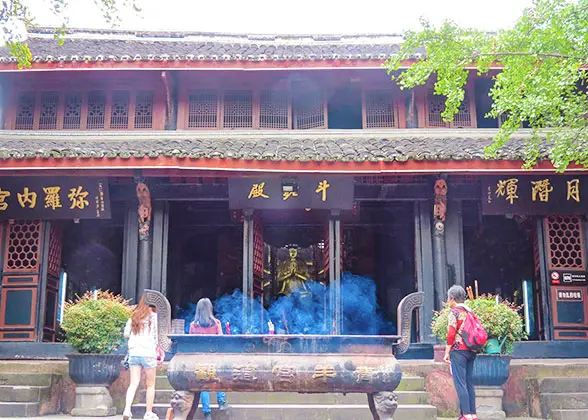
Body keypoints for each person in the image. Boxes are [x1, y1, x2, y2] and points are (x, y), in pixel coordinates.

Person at [189, 298, 228, 420]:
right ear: (210, 309)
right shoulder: (216, 323)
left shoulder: (193, 325)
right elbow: (221, 340)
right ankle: (221, 402)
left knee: (204, 384)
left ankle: (207, 413)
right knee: (218, 378)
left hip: (200, 358)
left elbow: (190, 343)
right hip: (214, 357)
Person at [123, 297, 161, 420]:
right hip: (148, 353)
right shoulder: (154, 316)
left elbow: (126, 334)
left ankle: (127, 410)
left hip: (134, 353)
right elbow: (157, 335)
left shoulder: (134, 316)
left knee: (133, 383)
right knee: (150, 385)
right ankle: (148, 413)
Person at [443, 285, 478, 420]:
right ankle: (473, 415)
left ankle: (466, 415)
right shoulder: (470, 311)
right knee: (469, 382)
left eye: (448, 299)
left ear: (452, 299)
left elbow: (451, 333)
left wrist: (447, 351)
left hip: (458, 350)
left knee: (460, 383)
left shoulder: (454, 312)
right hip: (471, 349)